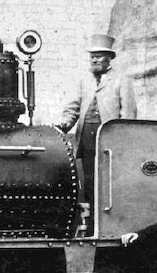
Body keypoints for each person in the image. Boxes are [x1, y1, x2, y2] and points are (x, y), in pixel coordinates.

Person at [56, 33, 137, 210]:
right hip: (86, 140)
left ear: (109, 58)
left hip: (109, 140)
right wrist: (64, 123)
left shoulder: (121, 79)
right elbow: (74, 106)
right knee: (89, 181)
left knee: (108, 181)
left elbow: (129, 113)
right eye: (92, 56)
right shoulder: (85, 80)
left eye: (98, 56)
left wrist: (122, 140)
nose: (94, 60)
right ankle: (91, 222)